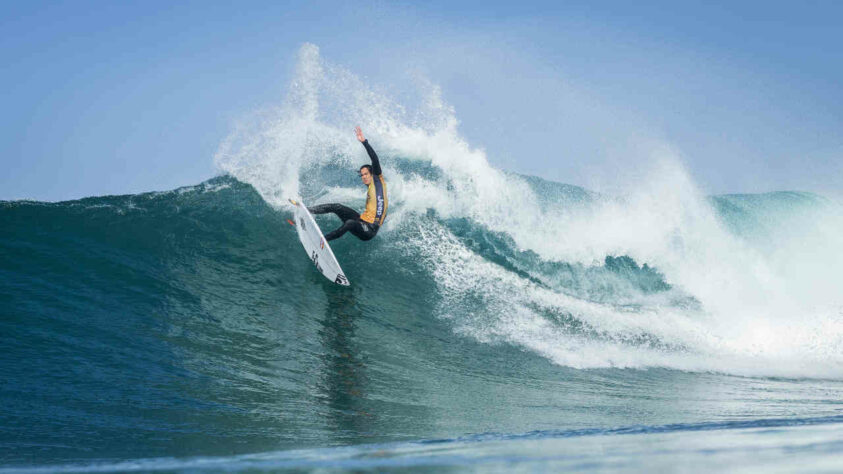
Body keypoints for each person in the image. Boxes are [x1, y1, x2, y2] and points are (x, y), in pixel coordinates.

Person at [308, 127, 388, 242]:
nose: (364, 177)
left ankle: (324, 240)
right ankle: (306, 211)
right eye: (362, 175)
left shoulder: (378, 180)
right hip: (361, 221)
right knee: (336, 207)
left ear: (372, 174)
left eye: (366, 174)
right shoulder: (370, 187)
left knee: (350, 223)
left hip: (369, 230)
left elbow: (375, 160)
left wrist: (364, 142)